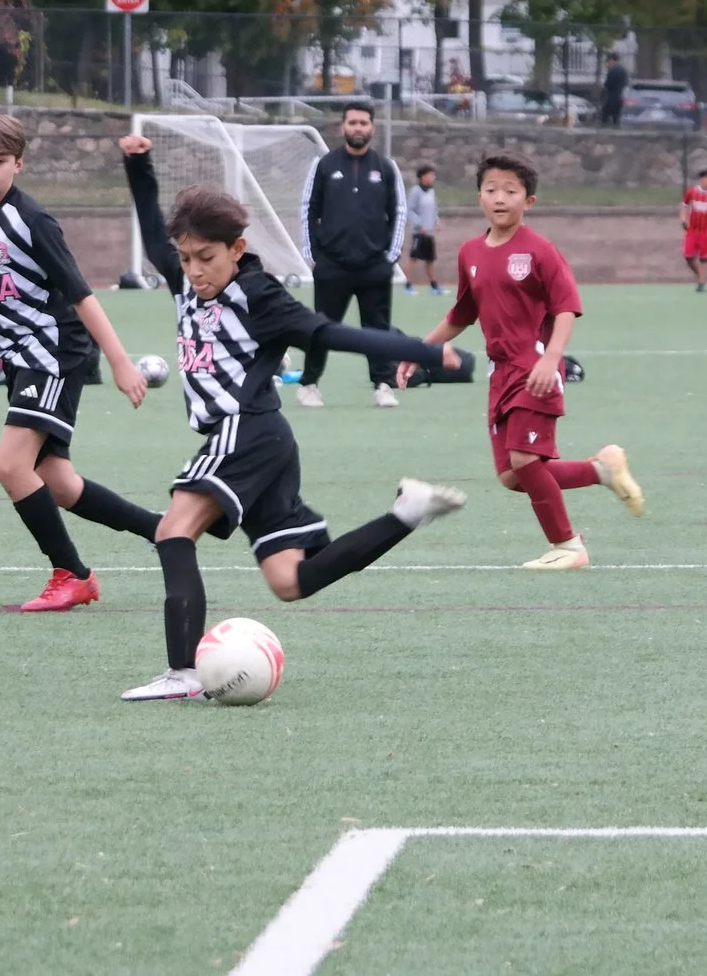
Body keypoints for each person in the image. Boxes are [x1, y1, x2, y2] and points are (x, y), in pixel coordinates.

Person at [117, 135, 470, 701]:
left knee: (172, 531)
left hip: (246, 431)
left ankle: (182, 672)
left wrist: (425, 352)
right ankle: (407, 514)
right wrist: (137, 165)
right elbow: (152, 223)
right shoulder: (186, 281)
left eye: (206, 258)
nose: (194, 270)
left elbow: (329, 334)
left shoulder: (260, 296)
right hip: (266, 441)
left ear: (237, 248)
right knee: (290, 581)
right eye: (186, 259)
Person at [0, 111, 160, 612]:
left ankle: (72, 575)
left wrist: (120, 362)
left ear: (19, 164)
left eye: (0, 161)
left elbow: (81, 294)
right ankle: (163, 531)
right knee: (58, 482)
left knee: (11, 465)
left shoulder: (32, 220)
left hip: (54, 351)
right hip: (18, 357)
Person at [413, 152, 645, 570]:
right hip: (500, 372)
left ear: (529, 202)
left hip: (536, 369)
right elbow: (462, 314)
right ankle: (601, 471)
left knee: (524, 460)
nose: (499, 198)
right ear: (478, 196)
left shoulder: (540, 250)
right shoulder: (470, 253)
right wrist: (419, 350)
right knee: (512, 475)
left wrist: (552, 358)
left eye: (510, 190)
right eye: (490, 189)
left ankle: (568, 546)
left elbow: (566, 307)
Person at [296, 102, 407, 408]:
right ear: (343, 127)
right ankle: (309, 385)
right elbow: (308, 209)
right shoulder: (324, 165)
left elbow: (398, 211)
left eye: (364, 123)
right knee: (321, 328)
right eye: (353, 122)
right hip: (331, 265)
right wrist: (313, 255)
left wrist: (391, 256)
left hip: (374, 266)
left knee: (378, 329)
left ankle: (383, 385)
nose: (358, 128)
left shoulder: (386, 167)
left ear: (372, 128)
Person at [681, 169, 707, 292]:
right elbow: (685, 207)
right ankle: (701, 276)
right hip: (692, 230)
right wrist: (684, 220)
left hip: (706, 230)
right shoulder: (691, 193)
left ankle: (701, 284)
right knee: (688, 257)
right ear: (702, 179)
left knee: (704, 258)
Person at [405, 163, 444, 295]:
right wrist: (419, 225)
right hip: (418, 233)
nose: (433, 177)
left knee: (430, 259)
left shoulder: (431, 191)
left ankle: (434, 286)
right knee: (413, 258)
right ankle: (408, 285)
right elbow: (409, 211)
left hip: (429, 233)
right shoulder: (415, 191)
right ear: (423, 177)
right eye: (430, 175)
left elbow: (434, 210)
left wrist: (437, 222)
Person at [599, 53, 629, 126]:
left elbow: (607, 85)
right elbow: (625, 83)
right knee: (616, 118)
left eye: (608, 61)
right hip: (620, 97)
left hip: (611, 98)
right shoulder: (623, 71)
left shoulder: (612, 71)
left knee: (604, 116)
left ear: (612, 60)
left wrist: (602, 87)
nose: (608, 63)